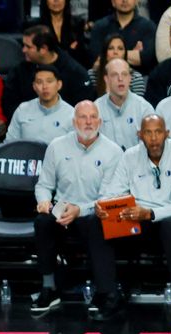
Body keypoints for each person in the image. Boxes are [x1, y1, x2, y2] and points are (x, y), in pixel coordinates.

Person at [33, 100, 125, 319]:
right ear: (74, 121)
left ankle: (105, 292)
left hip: (91, 213)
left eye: (93, 117)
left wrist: (79, 210)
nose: (88, 122)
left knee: (97, 222)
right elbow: (44, 185)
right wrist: (44, 201)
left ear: (100, 122)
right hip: (61, 212)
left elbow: (107, 198)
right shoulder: (56, 146)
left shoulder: (113, 151)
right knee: (42, 221)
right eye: (83, 117)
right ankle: (49, 288)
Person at [99, 114, 171, 299]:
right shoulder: (129, 156)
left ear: (167, 133)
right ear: (140, 135)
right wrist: (103, 206)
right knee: (96, 223)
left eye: (158, 132)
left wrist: (150, 213)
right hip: (136, 222)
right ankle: (108, 294)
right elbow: (112, 193)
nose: (153, 138)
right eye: (148, 133)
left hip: (166, 220)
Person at [4, 25, 92, 120]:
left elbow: (83, 111)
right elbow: (9, 104)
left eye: (28, 47)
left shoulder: (75, 73)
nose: (23, 50)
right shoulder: (19, 70)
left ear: (43, 49)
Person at [7, 64, 77, 144]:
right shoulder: (22, 110)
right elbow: (10, 143)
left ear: (59, 85)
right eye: (39, 82)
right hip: (25, 155)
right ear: (34, 86)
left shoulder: (71, 114)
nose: (44, 87)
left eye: (49, 81)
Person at [98, 59, 158, 149]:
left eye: (124, 74)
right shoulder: (96, 109)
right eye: (115, 75)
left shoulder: (144, 108)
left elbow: (151, 146)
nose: (120, 79)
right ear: (106, 79)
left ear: (130, 78)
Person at [90, 0, 157, 75]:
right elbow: (96, 57)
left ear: (136, 1)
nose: (124, 0)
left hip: (139, 79)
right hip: (106, 76)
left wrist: (111, 54)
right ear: (113, 2)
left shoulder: (148, 27)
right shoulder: (100, 26)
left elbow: (147, 58)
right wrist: (132, 55)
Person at [90, 34, 150, 99]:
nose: (115, 52)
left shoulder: (135, 77)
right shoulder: (93, 75)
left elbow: (138, 105)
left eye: (120, 49)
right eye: (111, 48)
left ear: (125, 53)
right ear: (105, 53)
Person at [39, 0, 92, 69]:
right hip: (45, 69)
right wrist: (70, 50)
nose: (56, 1)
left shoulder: (77, 23)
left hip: (72, 69)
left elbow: (81, 54)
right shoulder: (36, 26)